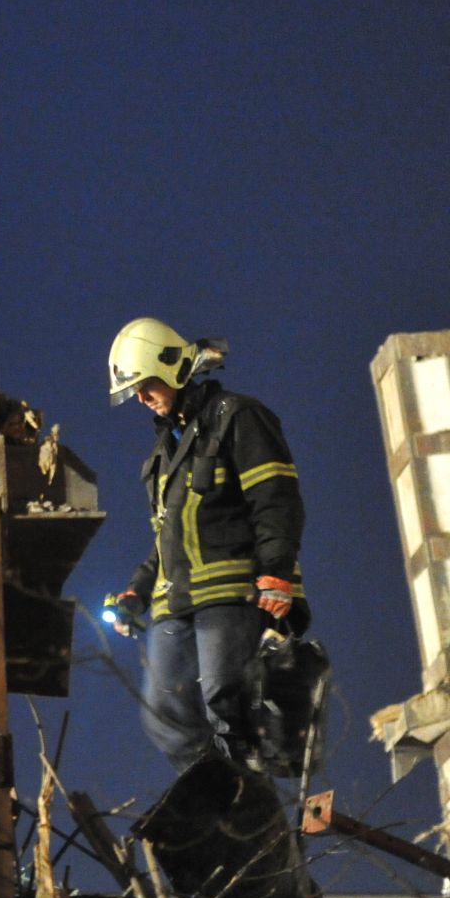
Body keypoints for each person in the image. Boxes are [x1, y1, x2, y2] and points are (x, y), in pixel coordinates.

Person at [106, 318, 310, 772]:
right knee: (163, 711)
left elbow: (275, 500)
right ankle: (216, 794)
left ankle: (247, 795)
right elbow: (165, 542)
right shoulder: (160, 458)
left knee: (225, 698)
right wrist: (136, 592)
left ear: (173, 368)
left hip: (230, 595)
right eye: (134, 391)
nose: (141, 399)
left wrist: (277, 570)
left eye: (147, 385)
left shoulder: (237, 417)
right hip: (173, 604)